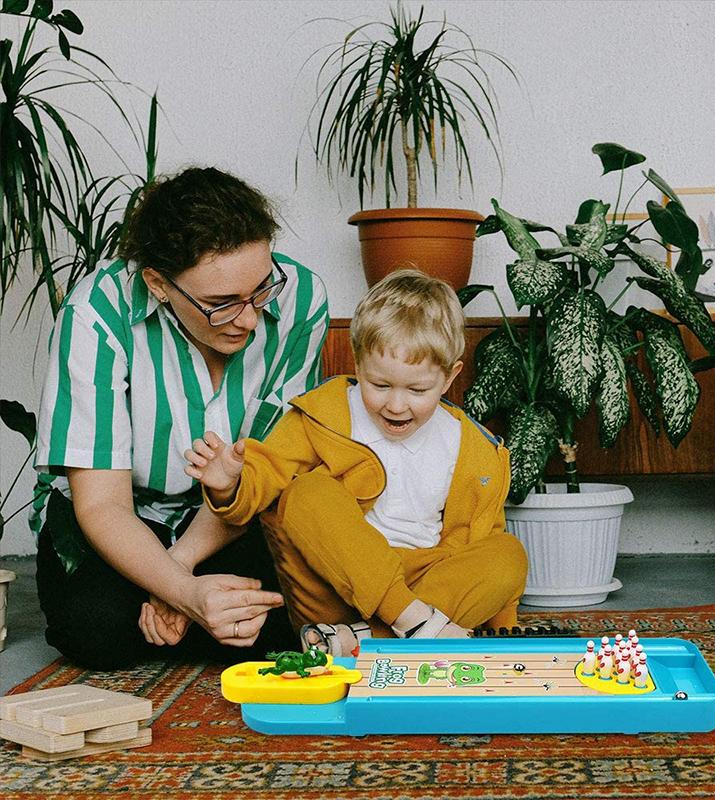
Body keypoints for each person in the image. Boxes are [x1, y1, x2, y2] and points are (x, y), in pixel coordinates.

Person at [33, 167, 328, 669]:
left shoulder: (301, 298)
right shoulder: (95, 314)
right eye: (221, 304)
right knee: (97, 633)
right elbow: (103, 506)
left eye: (260, 290)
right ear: (158, 284)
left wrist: (180, 574)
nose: (251, 318)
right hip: (118, 518)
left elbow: (271, 471)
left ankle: (186, 614)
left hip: (233, 515)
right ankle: (187, 616)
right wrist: (186, 593)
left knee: (273, 626)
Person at [186, 269, 528, 657]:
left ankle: (366, 640)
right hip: (336, 589)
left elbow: (482, 541)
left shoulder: (475, 449)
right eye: (380, 385)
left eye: (417, 390)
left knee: (508, 552)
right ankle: (404, 622)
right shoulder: (324, 414)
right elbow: (267, 474)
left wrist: (506, 636)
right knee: (308, 491)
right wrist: (228, 484)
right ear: (359, 363)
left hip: (425, 591)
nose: (396, 405)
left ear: (450, 377)